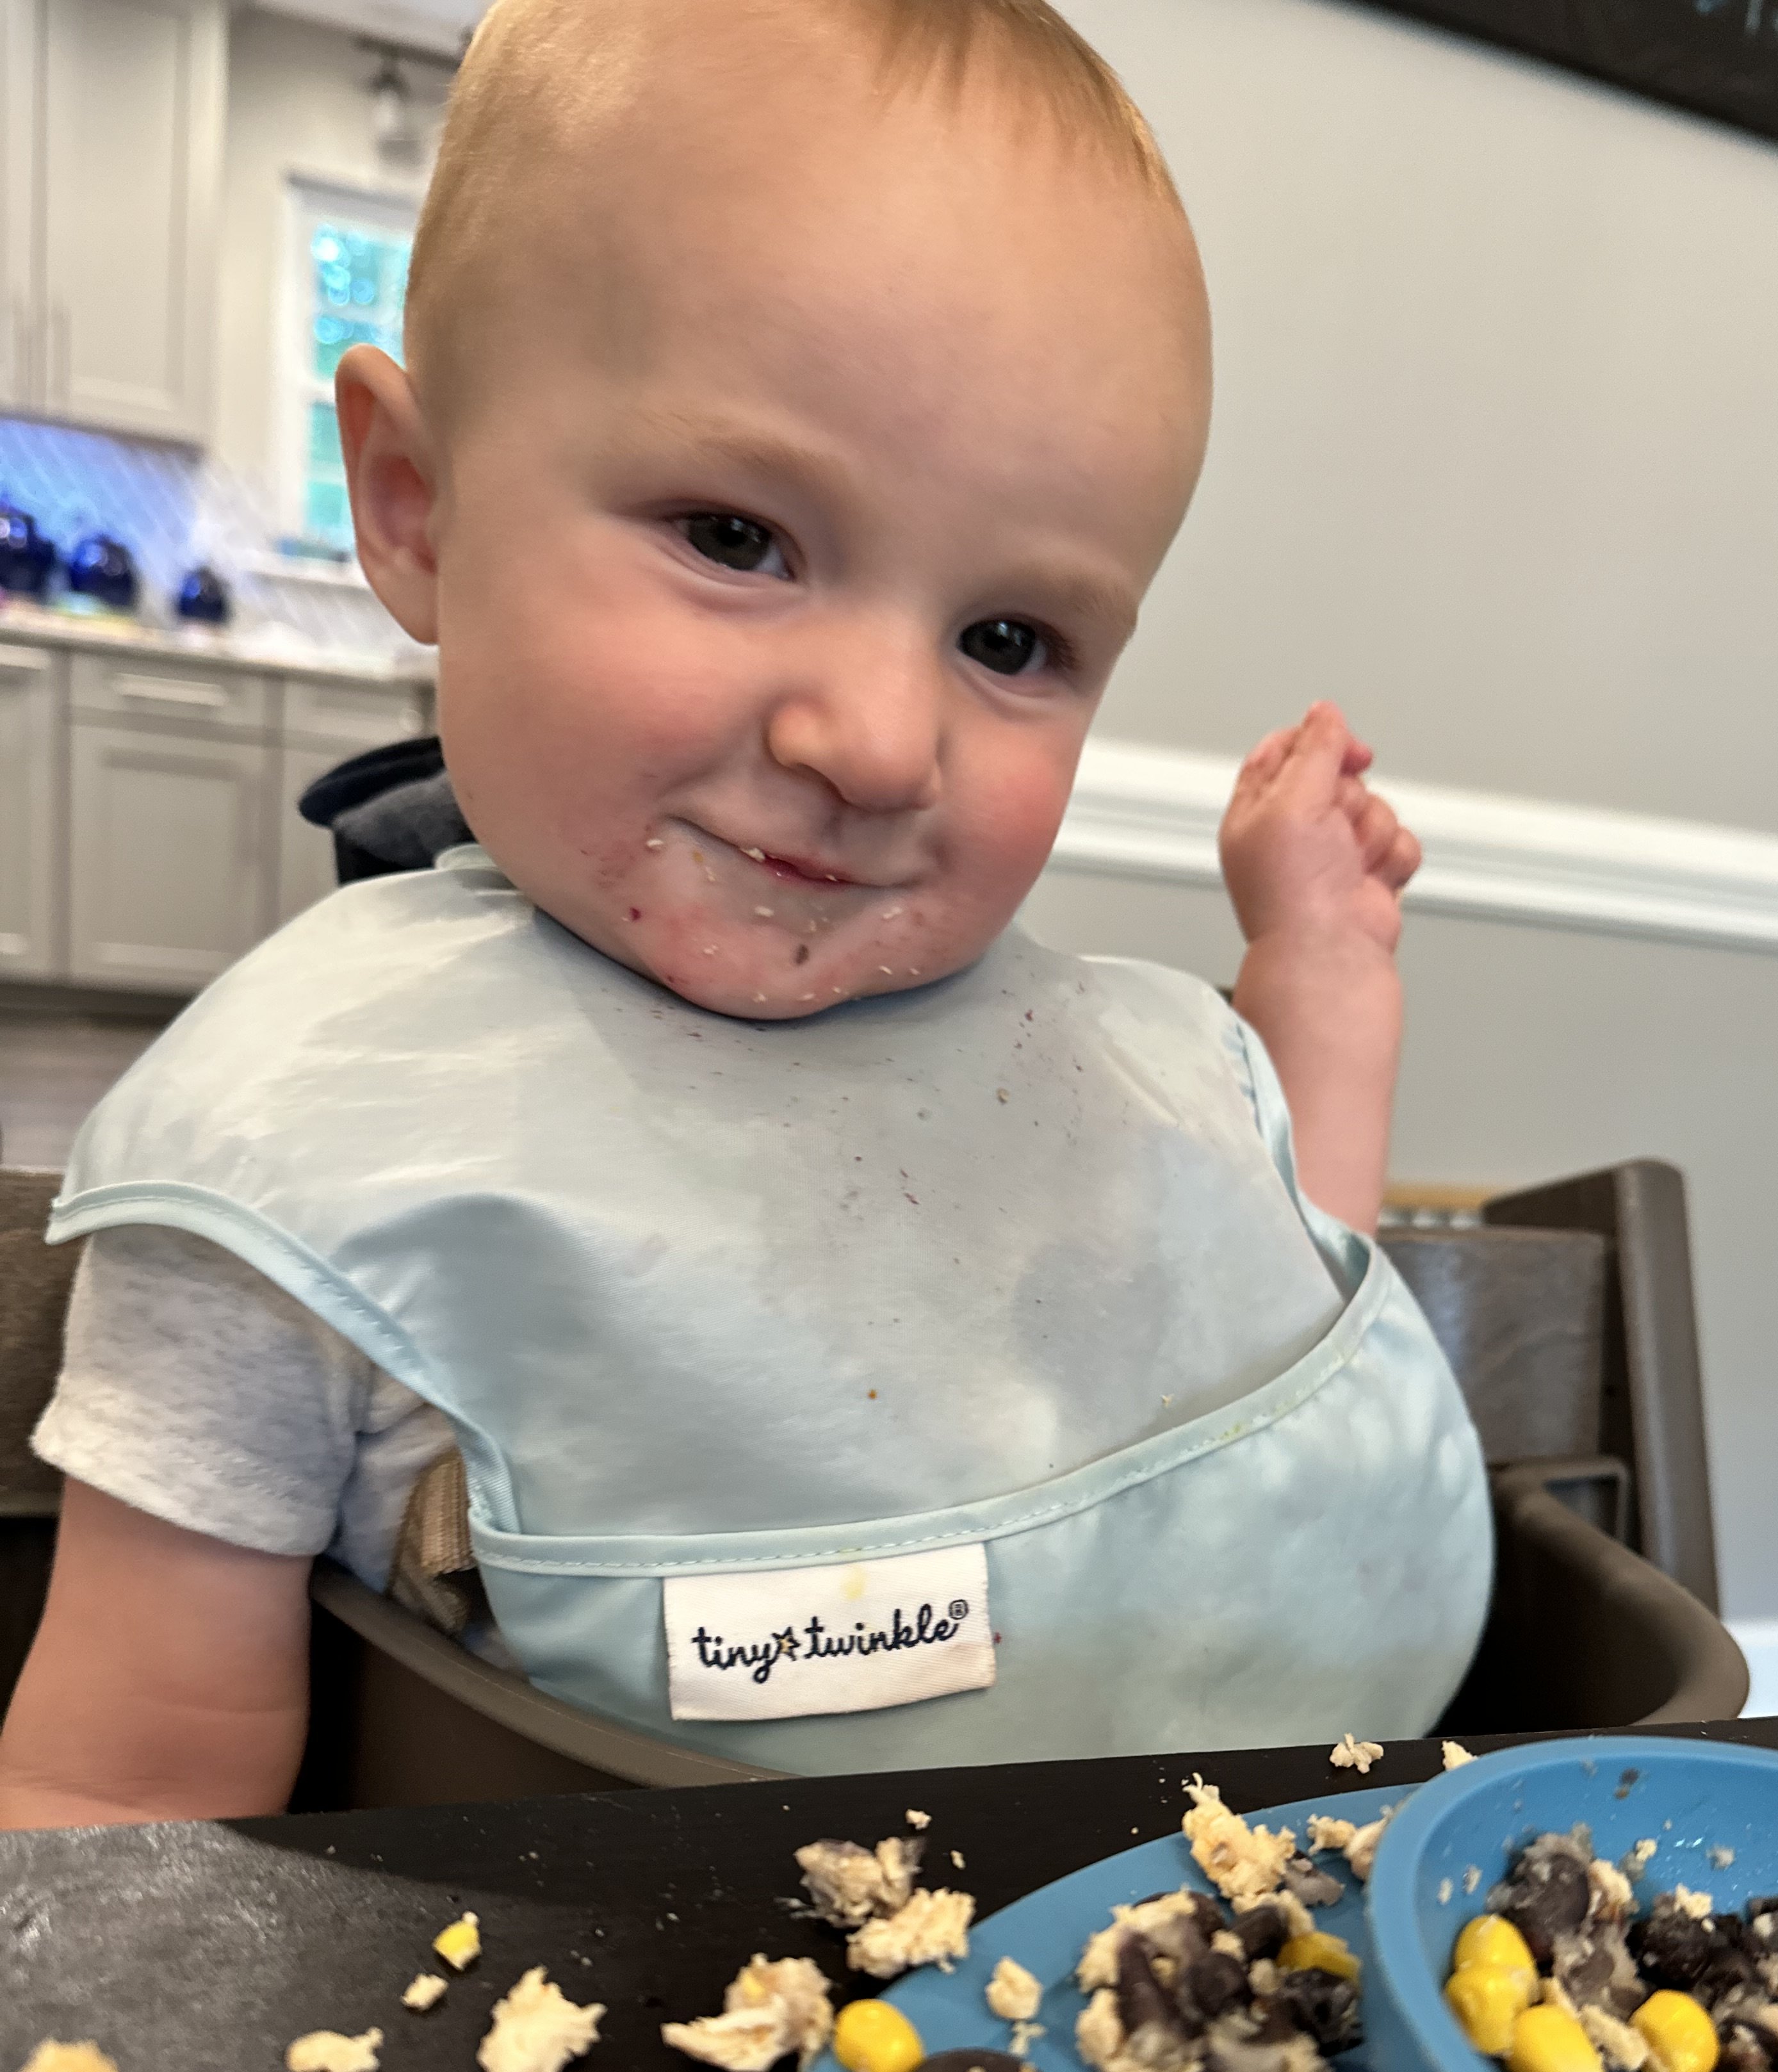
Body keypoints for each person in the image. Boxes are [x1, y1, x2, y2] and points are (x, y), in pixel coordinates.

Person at [0, 0, 1489, 1829]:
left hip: (1253, 1974)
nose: (875, 741)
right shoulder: (300, 1182)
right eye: (733, 537)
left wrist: (1316, 987)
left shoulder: (1098, 1067)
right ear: (418, 510)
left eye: (1009, 641)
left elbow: (1258, 1376)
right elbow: (125, 1795)